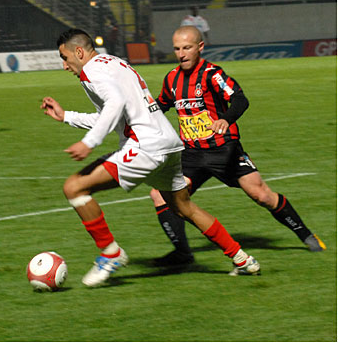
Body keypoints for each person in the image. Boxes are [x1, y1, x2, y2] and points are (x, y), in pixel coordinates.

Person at [41, 29, 260, 287]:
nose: (64, 65)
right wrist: (67, 116)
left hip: (145, 147)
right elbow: (111, 116)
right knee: (184, 207)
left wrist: (89, 143)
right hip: (168, 144)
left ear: (79, 52)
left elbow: (114, 104)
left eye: (64, 57)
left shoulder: (91, 72)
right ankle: (242, 259)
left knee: (74, 187)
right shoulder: (113, 62)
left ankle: (110, 253)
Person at [149, 26, 326, 266]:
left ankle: (305, 234)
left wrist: (226, 119)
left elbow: (240, 99)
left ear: (200, 47)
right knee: (160, 196)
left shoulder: (213, 74)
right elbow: (163, 104)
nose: (181, 54)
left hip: (224, 151)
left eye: (187, 48)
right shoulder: (171, 78)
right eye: (177, 49)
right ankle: (183, 254)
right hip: (191, 154)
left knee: (261, 195)